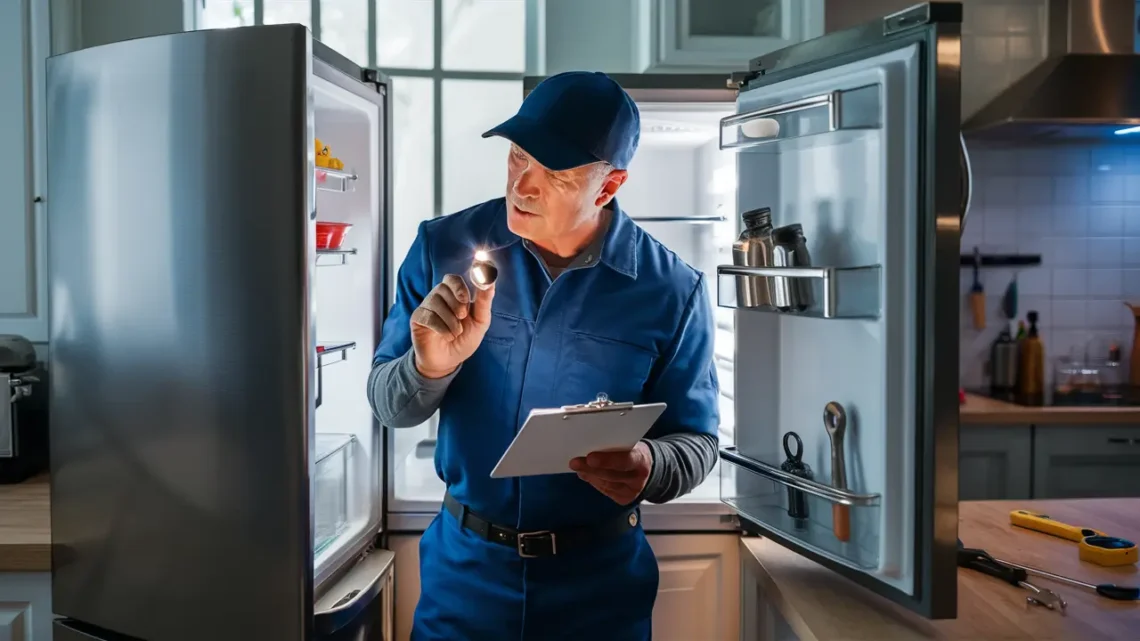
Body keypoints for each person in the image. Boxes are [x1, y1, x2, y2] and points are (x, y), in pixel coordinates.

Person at [368, 70, 719, 641]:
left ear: (609, 187)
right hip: (465, 579)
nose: (521, 186)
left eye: (552, 173)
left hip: (600, 591)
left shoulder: (673, 291)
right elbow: (389, 405)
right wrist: (428, 366)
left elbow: (699, 443)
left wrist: (650, 466)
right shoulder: (441, 248)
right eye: (516, 157)